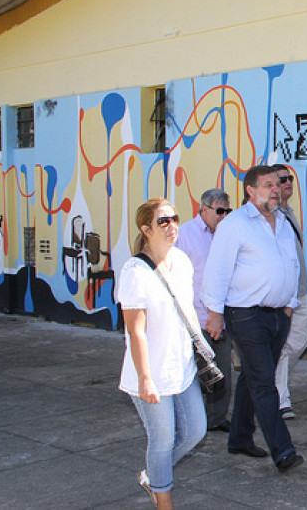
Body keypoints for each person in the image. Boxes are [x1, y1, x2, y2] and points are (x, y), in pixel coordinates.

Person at [201, 165, 304, 471]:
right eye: (269, 184)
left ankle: (240, 438)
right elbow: (216, 269)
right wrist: (215, 313)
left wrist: (289, 304)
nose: (276, 188)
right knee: (263, 381)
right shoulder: (235, 223)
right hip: (245, 315)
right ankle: (283, 450)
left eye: (278, 184)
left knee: (251, 376)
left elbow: (291, 264)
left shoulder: (283, 222)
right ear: (251, 190)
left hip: (278, 315)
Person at [117, 198, 207, 508]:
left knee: (196, 431)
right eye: (162, 221)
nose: (171, 226)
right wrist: (145, 379)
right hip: (151, 372)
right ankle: (164, 502)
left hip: (181, 366)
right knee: (162, 440)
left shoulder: (181, 260)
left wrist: (203, 345)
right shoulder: (134, 272)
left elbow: (187, 308)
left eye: (174, 219)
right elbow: (136, 330)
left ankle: (152, 477)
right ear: (146, 229)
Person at [175, 188, 233, 431]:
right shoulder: (185, 235)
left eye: (227, 211)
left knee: (222, 374)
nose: (223, 216)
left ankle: (217, 419)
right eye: (219, 211)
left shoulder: (228, 236)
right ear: (204, 209)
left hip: (220, 317)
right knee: (195, 375)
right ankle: (193, 421)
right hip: (193, 317)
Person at [271, 164, 307, 420]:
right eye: (282, 180)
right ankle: (280, 398)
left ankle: (272, 380)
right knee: (283, 347)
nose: (288, 183)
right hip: (283, 293)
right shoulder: (272, 215)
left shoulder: (290, 212)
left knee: (298, 341)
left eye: (290, 179)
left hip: (301, 289)